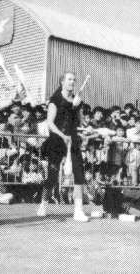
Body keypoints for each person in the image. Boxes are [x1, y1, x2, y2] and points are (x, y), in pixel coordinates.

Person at [38, 72, 89, 222]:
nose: (72, 82)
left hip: (72, 141)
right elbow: (50, 122)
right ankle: (43, 204)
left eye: (74, 79)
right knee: (53, 177)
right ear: (62, 82)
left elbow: (79, 122)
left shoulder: (77, 101)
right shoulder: (56, 99)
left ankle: (78, 210)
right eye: (69, 79)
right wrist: (62, 135)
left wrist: (78, 110)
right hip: (57, 140)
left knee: (79, 173)